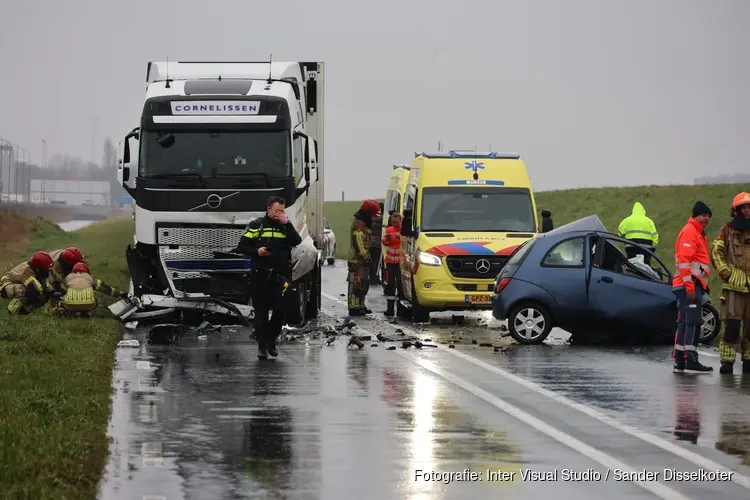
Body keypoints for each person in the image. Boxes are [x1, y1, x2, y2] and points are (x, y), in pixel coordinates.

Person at [235, 196, 302, 359]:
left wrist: (288, 223)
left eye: (282, 210)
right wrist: (257, 252)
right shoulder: (257, 225)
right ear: (268, 210)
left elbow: (296, 241)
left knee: (280, 311)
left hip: (281, 276)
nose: (280, 213)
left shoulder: (285, 226)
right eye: (277, 210)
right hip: (260, 274)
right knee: (261, 312)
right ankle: (262, 346)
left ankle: (271, 339)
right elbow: (242, 246)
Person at [710, 191, 750, 374]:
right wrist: (726, 273)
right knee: (732, 326)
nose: (747, 211)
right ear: (737, 210)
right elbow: (717, 252)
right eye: (744, 207)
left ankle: (748, 359)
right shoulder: (727, 230)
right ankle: (727, 361)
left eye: (749, 207)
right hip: (734, 287)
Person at [672, 201, 714, 374]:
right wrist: (690, 286)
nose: (706, 219)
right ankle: (690, 359)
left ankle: (680, 360)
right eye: (704, 215)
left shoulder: (697, 233)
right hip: (688, 286)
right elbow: (684, 261)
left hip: (688, 285)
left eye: (708, 216)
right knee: (693, 321)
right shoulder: (691, 232)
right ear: (696, 215)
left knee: (684, 321)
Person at [53, 262, 128, 316]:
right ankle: (85, 312)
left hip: (69, 305)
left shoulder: (68, 277)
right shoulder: (90, 278)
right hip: (89, 305)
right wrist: (120, 294)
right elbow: (106, 289)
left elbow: (62, 292)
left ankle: (62, 310)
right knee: (96, 299)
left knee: (62, 300)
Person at [347, 199, 380, 315]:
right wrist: (365, 258)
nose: (373, 217)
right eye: (372, 214)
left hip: (364, 259)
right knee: (356, 283)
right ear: (367, 213)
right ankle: (353, 307)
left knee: (364, 283)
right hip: (357, 260)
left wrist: (367, 258)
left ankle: (361, 305)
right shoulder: (358, 225)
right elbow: (358, 243)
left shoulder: (364, 224)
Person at [45, 247, 85, 313]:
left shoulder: (76, 257)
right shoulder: (53, 265)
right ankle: (53, 310)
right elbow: (48, 283)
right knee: (56, 289)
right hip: (50, 272)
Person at [381, 212, 403, 317]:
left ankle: (401, 310)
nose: (394, 224)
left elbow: (403, 241)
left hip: (400, 262)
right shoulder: (389, 229)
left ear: (400, 221)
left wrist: (395, 238)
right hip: (390, 261)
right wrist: (388, 239)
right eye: (393, 222)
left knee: (400, 285)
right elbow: (384, 240)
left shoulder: (403, 230)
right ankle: (389, 310)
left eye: (396, 222)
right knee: (390, 285)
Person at [369, 202, 384, 285]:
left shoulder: (372, 218)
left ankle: (371, 277)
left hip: (371, 242)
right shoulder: (382, 219)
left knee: (372, 260)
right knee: (377, 262)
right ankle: (375, 277)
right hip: (378, 242)